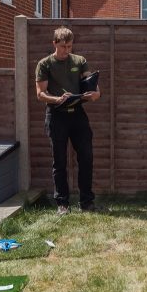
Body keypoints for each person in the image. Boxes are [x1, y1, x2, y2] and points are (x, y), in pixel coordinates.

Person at [35, 26, 101, 214]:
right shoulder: (45, 64)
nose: (66, 50)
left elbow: (91, 85)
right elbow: (40, 94)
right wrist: (57, 99)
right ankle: (62, 204)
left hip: (78, 114)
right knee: (60, 161)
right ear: (54, 43)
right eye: (63, 46)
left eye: (70, 46)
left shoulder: (79, 61)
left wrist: (95, 93)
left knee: (86, 158)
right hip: (56, 116)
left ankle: (87, 203)